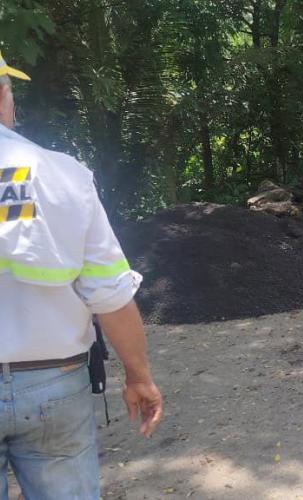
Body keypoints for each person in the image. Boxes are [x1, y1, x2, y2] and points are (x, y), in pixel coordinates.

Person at [0, 50, 162, 499]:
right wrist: (139, 376)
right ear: (4, 97)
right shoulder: (62, 174)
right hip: (54, 384)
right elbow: (110, 294)